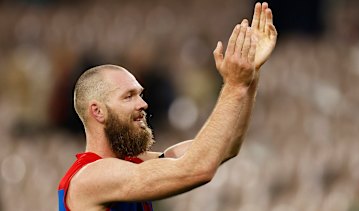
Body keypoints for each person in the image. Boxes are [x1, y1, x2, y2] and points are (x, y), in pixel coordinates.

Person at [58, 2, 277, 211]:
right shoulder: (90, 177)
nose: (143, 104)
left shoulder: (134, 163)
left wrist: (249, 76)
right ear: (97, 111)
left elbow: (226, 146)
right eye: (128, 97)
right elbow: (196, 170)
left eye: (140, 95)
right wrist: (234, 85)